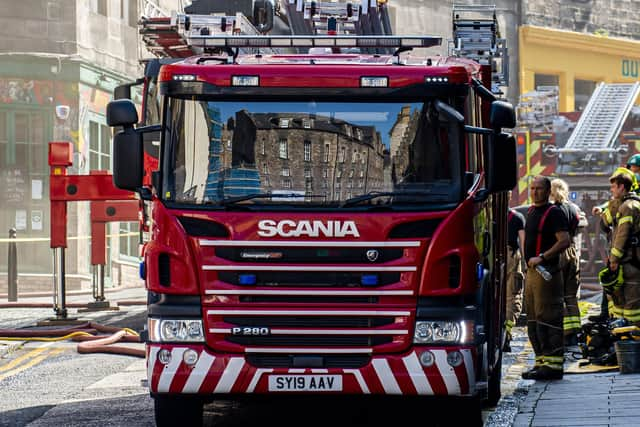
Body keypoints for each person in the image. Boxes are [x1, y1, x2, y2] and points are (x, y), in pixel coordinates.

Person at [521, 176, 570, 380]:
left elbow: (564, 241)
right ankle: (541, 362)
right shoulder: (532, 211)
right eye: (532, 188)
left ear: (548, 190)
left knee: (548, 317)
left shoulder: (554, 212)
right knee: (533, 317)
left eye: (539, 188)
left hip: (546, 273)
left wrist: (542, 257)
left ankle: (554, 365)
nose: (534, 192)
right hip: (532, 273)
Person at [550, 178, 587, 347]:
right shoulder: (573, 208)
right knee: (571, 295)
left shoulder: (552, 210)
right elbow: (580, 225)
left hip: (558, 252)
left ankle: (563, 333)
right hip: (573, 252)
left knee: (557, 295)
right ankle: (575, 332)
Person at [606, 168, 640, 326]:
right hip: (631, 260)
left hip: (630, 262)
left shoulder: (628, 207)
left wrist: (614, 259)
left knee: (631, 304)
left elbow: (622, 235)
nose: (612, 191)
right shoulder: (631, 204)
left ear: (621, 187)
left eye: (613, 187)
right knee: (623, 302)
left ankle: (630, 340)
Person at [505, 193, 526, 352]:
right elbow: (523, 243)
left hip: (492, 256)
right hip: (512, 256)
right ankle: (507, 332)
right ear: (510, 197)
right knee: (513, 295)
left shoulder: (488, 216)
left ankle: (498, 331)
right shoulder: (517, 218)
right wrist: (527, 263)